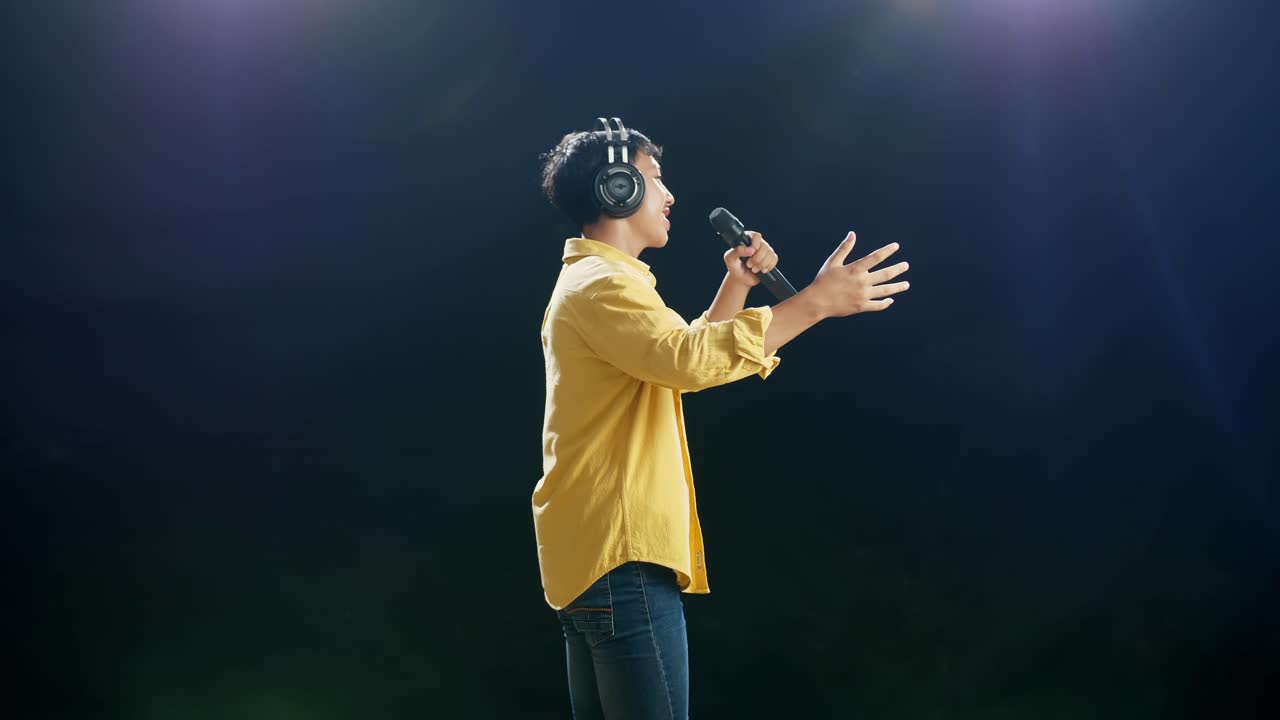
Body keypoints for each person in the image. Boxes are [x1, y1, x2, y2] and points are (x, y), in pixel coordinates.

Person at [532, 118, 910, 719]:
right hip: (622, 560)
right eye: (655, 180)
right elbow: (685, 362)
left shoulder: (595, 283)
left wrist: (736, 286)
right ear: (617, 188)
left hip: (596, 562)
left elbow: (674, 355)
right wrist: (813, 303)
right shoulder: (602, 285)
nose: (670, 196)